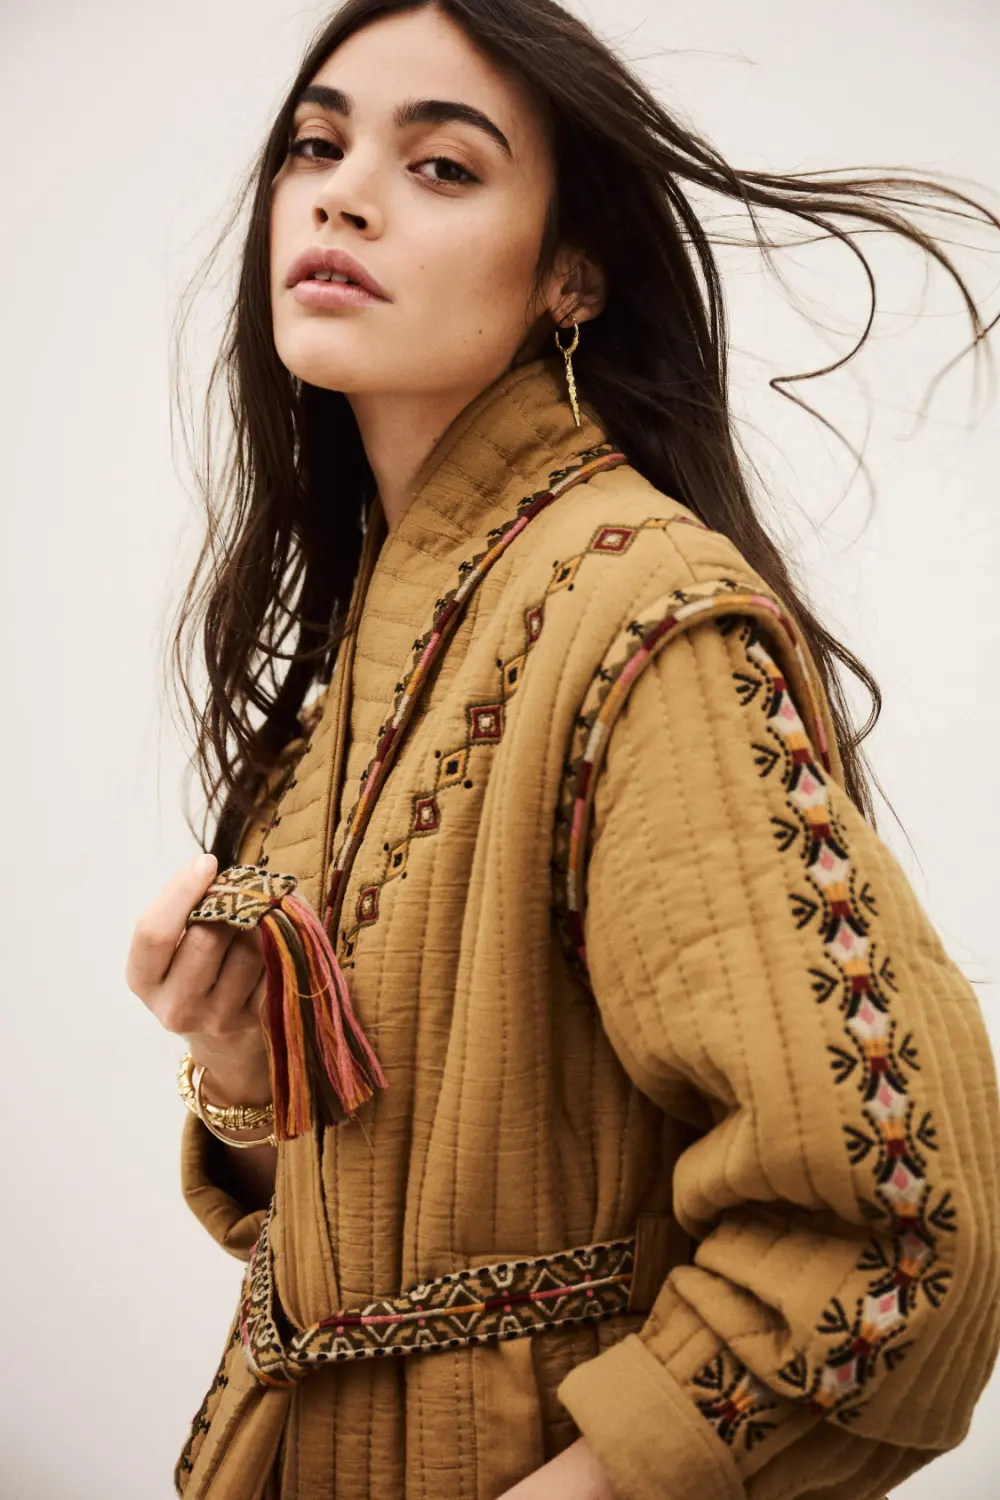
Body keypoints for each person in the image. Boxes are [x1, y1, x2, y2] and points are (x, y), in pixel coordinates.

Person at [125, 2, 1000, 1497]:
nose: (340, 196)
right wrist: (243, 1066)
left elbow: (896, 1229)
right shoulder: (370, 654)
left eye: (443, 167)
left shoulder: (645, 615)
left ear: (570, 274)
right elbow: (380, 1241)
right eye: (317, 147)